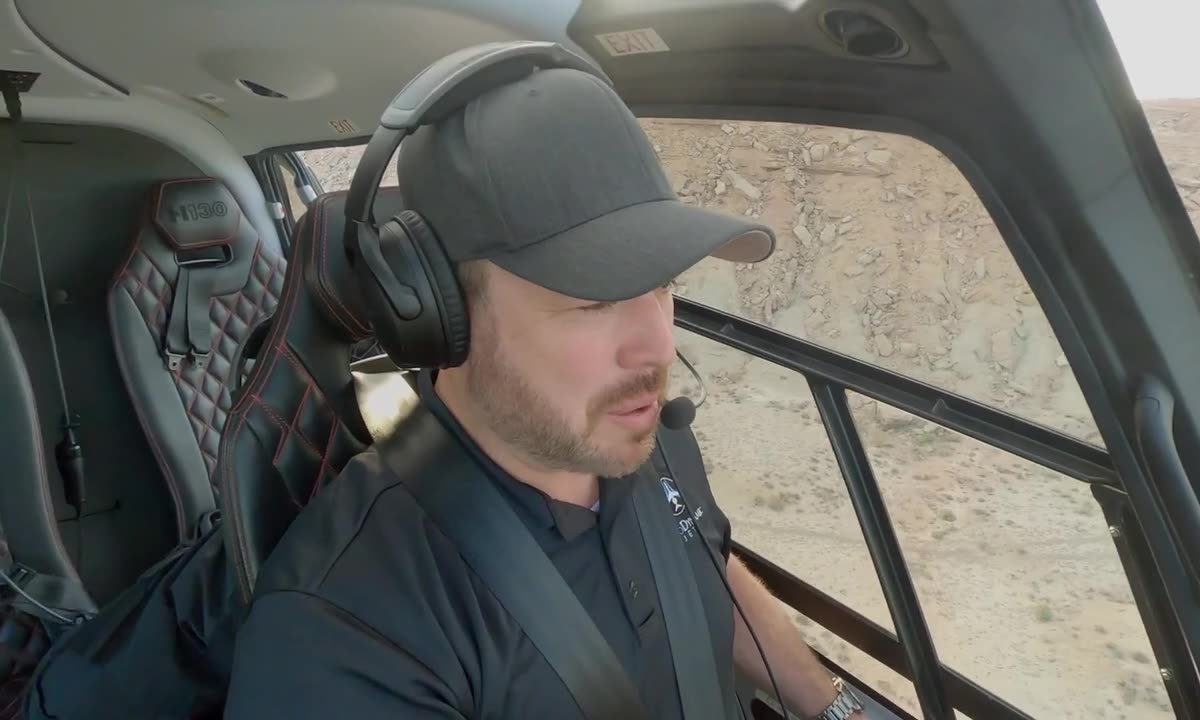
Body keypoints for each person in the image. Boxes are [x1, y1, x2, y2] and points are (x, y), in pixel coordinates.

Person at [222, 63, 863, 720]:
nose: (658, 349)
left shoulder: (638, 432)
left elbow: (700, 557)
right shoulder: (344, 633)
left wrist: (835, 709)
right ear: (442, 313)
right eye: (593, 300)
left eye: (664, 284)